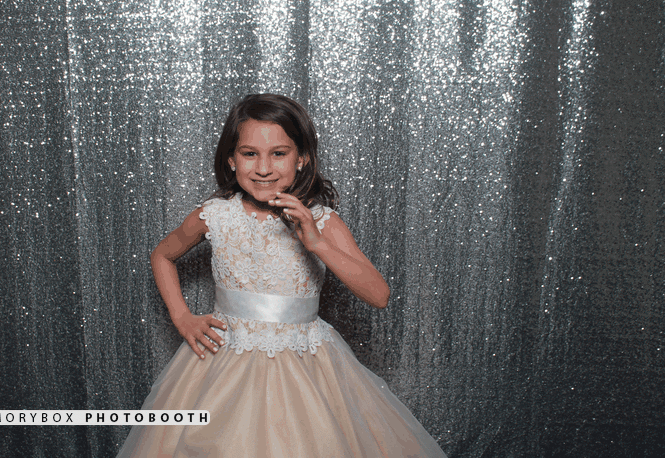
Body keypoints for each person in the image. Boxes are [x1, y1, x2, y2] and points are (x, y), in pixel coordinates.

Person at [116, 94, 446, 457]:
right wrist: (182, 317)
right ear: (231, 159)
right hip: (224, 363)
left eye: (278, 153)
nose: (263, 168)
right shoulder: (215, 216)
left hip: (306, 364)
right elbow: (162, 255)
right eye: (249, 153)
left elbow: (379, 295)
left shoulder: (322, 221)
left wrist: (317, 242)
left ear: (301, 158)